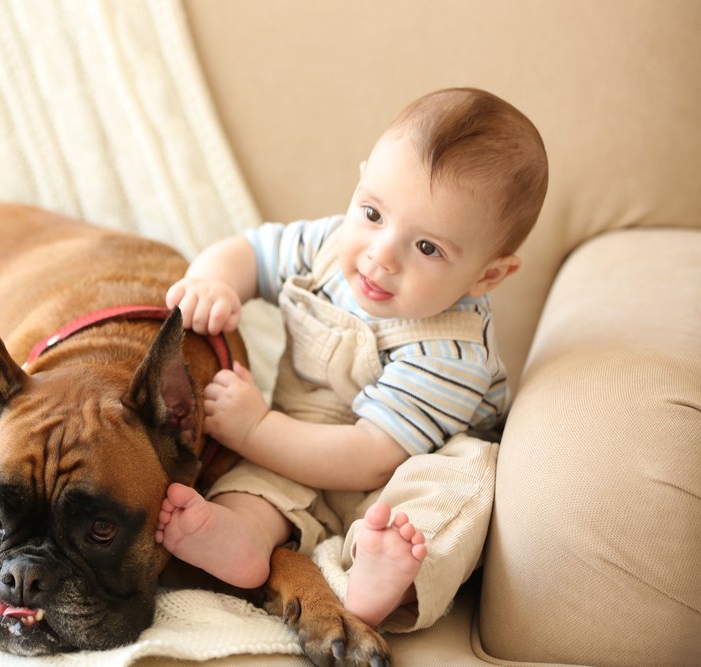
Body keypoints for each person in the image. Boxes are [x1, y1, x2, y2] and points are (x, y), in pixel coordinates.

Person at [155, 87, 548, 631]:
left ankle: (386, 576)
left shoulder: (453, 351)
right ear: (361, 182)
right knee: (257, 482)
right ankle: (240, 538)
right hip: (299, 438)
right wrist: (213, 282)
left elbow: (371, 456)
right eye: (373, 212)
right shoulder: (329, 245)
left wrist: (256, 427)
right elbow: (251, 251)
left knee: (455, 494)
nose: (380, 255)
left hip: (393, 467)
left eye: (428, 248)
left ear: (488, 275)